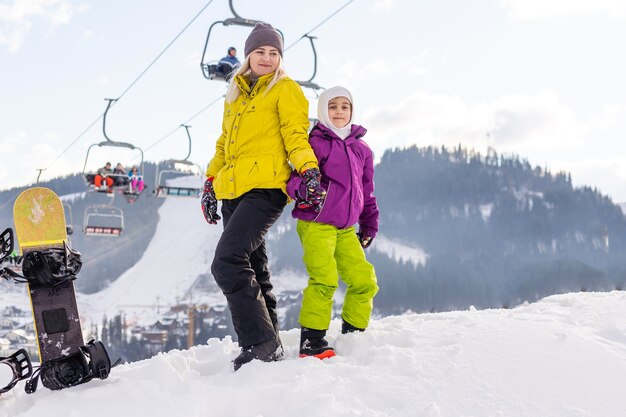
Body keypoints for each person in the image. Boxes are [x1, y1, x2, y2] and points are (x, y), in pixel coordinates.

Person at [201, 22, 325, 371]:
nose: (267, 58)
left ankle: (259, 344)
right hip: (233, 190)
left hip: (267, 189)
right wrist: (211, 183)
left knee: (227, 260)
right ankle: (271, 345)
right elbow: (224, 144)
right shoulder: (236, 94)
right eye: (261, 52)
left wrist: (308, 169)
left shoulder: (285, 90)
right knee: (255, 266)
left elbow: (295, 136)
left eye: (274, 53)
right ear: (249, 56)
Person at [286, 86, 379, 359]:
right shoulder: (314, 143)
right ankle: (312, 341)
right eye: (333, 106)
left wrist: (370, 223)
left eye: (344, 106)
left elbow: (367, 190)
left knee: (364, 279)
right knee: (325, 279)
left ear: (352, 110)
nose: (339, 112)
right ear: (322, 111)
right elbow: (291, 179)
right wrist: (303, 191)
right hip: (317, 223)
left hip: (346, 228)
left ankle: (353, 335)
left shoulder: (362, 149)